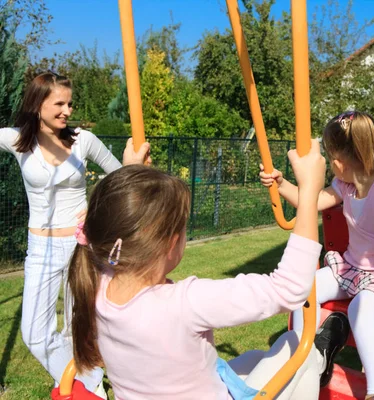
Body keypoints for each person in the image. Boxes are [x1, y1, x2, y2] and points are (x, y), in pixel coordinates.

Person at [68, 141, 351, 400]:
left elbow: (123, 224)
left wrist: (133, 172)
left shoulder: (98, 283)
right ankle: (319, 357)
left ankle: (316, 362)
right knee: (296, 346)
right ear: (171, 244)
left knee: (253, 358)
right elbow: (287, 289)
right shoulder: (185, 303)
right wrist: (310, 192)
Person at [260, 111, 374, 400]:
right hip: (352, 268)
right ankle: (307, 358)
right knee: (306, 286)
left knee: (360, 310)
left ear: (338, 162)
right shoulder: (345, 186)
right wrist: (281, 184)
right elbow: (311, 202)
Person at [0, 72, 150, 397]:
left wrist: (95, 204)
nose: (67, 110)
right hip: (40, 247)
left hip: (81, 245)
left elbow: (121, 176)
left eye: (70, 103)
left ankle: (86, 389)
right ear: (37, 103)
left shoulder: (83, 139)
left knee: (76, 328)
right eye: (60, 103)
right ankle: (85, 384)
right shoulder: (17, 140)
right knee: (35, 333)